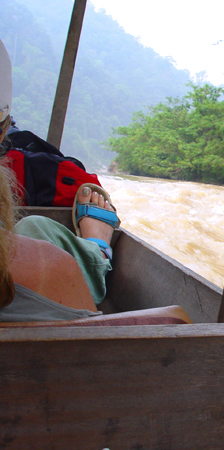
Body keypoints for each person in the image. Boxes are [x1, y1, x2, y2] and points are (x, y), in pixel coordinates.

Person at [0, 38, 119, 321]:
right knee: (38, 228)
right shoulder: (49, 268)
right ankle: (97, 254)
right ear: (4, 133)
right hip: (41, 279)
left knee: (35, 226)